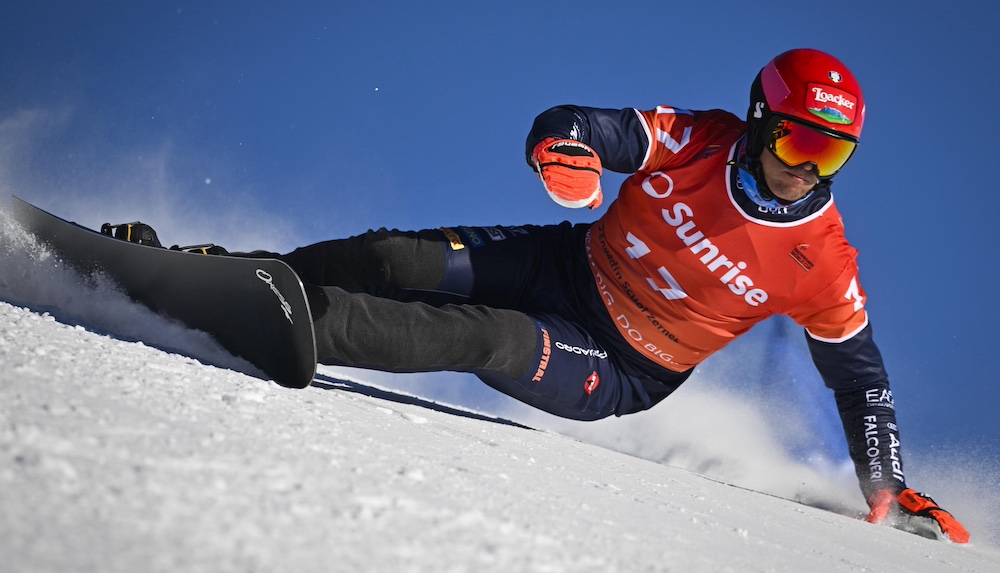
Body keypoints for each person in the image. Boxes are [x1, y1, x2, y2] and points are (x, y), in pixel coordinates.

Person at [236, 49, 970, 542]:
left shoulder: (824, 259)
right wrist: (562, 154)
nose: (806, 168)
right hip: (563, 262)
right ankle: (239, 274)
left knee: (486, 337)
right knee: (392, 256)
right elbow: (577, 125)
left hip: (622, 363)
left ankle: (295, 325)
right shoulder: (699, 140)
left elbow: (860, 380)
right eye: (796, 142)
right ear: (758, 121)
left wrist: (889, 487)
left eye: (831, 153)